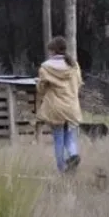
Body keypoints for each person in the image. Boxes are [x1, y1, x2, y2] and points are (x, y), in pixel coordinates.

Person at [36, 35, 83, 174]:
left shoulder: (45, 67)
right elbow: (79, 83)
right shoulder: (74, 66)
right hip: (71, 107)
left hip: (55, 108)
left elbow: (41, 89)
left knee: (58, 139)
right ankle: (73, 156)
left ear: (53, 51)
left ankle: (62, 170)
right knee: (70, 136)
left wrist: (38, 83)